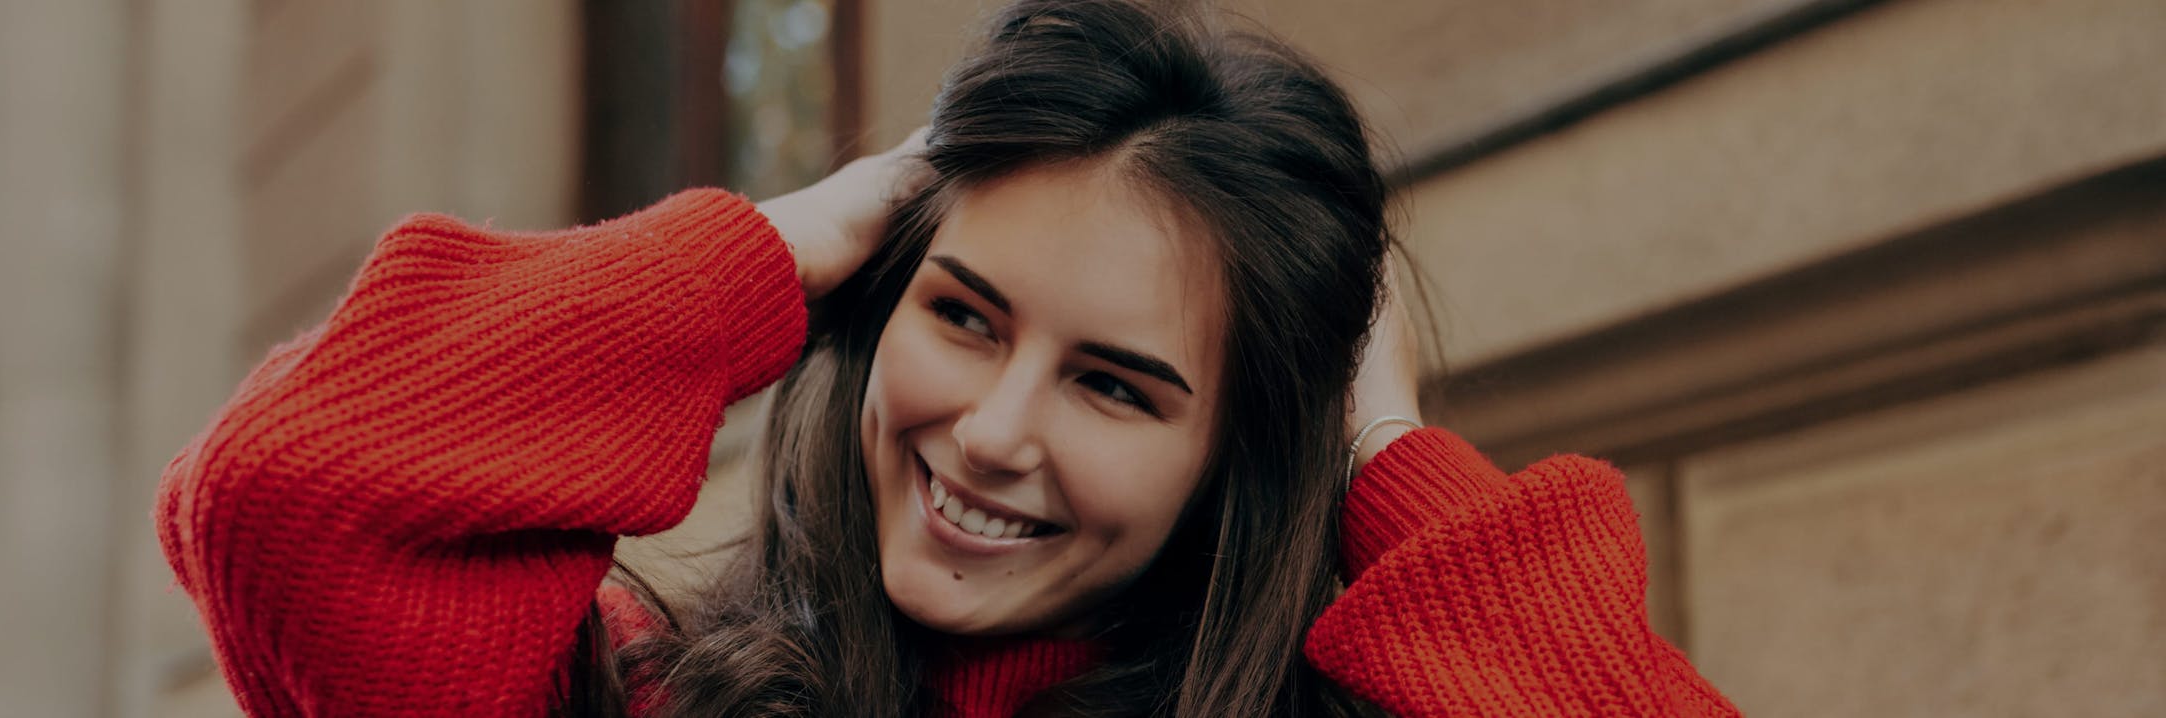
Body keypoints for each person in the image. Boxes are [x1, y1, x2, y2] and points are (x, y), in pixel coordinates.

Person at [155, 1, 1740, 716]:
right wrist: (782, 238)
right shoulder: (654, 705)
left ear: (1241, 448)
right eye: (964, 313)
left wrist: (1386, 453)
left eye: (1116, 382)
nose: (990, 430)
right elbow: (291, 491)